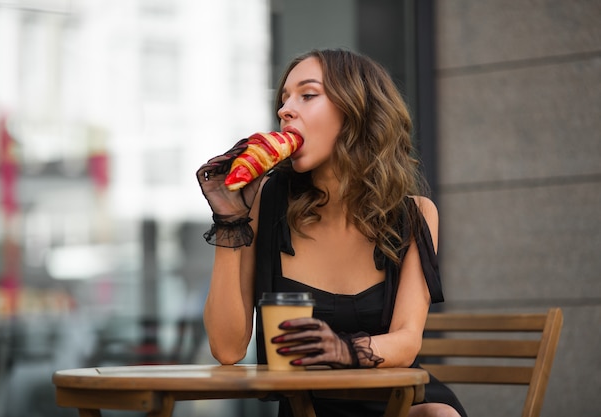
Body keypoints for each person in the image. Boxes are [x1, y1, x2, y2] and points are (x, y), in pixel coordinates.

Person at [196, 48, 467, 417]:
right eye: (284, 99)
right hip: (308, 408)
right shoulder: (265, 201)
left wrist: (345, 350)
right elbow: (227, 349)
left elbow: (406, 341)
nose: (285, 110)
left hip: (397, 404)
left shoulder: (414, 214)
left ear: (355, 111)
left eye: (307, 95)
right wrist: (229, 221)